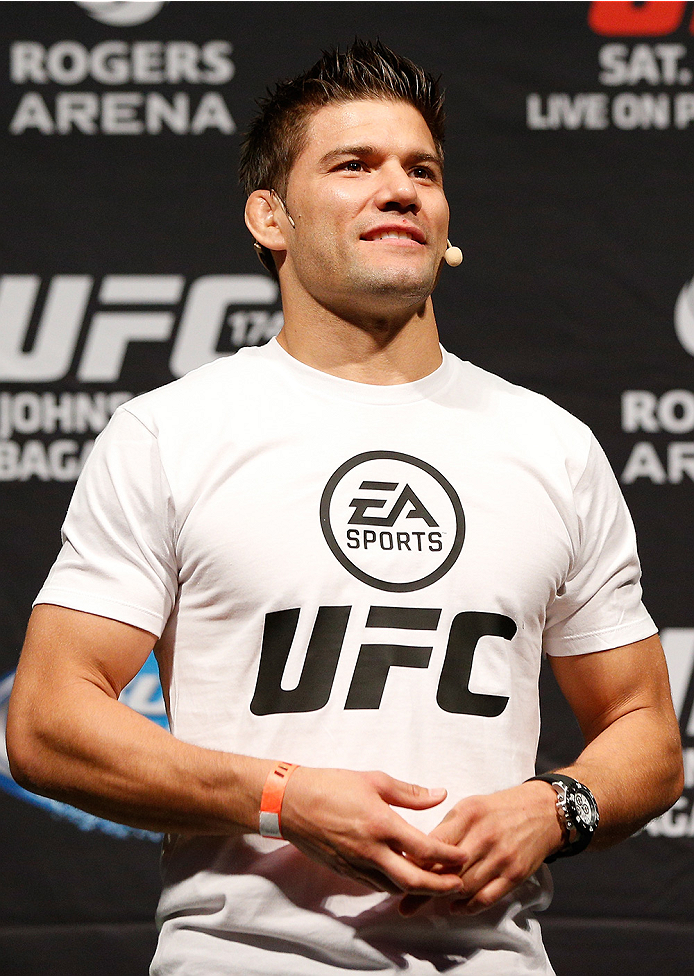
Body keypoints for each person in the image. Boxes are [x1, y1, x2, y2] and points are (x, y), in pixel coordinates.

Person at [7, 40, 683, 976]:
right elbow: (46, 720)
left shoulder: (552, 446)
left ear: (445, 220)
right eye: (354, 165)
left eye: (422, 170)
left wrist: (554, 806)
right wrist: (284, 798)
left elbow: (646, 727)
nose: (400, 189)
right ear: (270, 217)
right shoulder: (172, 433)